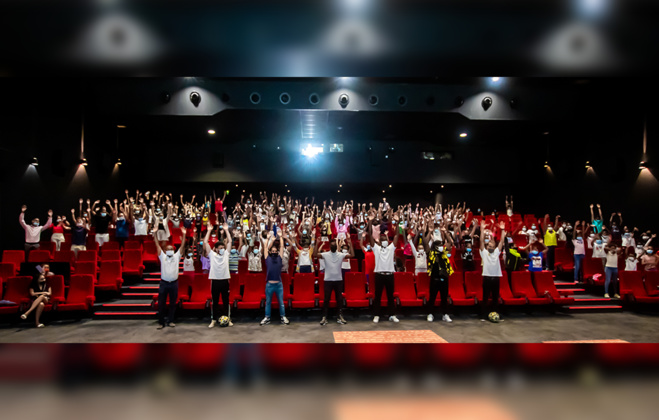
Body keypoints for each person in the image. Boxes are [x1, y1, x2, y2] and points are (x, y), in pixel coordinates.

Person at [367, 213, 401, 324]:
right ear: (380, 241)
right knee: (378, 296)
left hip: (390, 275)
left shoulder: (391, 248)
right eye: (382, 239)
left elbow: (396, 236)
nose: (384, 240)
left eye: (385, 238)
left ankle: (392, 315)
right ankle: (376, 315)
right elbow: (370, 236)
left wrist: (398, 222)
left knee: (391, 296)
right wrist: (370, 222)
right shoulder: (376, 249)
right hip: (379, 275)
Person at [153, 225, 187, 329]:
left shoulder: (177, 256)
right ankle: (161, 322)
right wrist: (154, 234)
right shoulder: (162, 256)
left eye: (171, 249)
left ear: (173, 250)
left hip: (174, 283)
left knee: (173, 303)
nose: (169, 250)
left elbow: (182, 247)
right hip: (164, 283)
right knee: (161, 304)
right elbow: (157, 245)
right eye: (168, 249)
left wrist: (184, 235)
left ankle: (171, 320)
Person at [315, 238, 354, 326]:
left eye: (334, 245)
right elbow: (314, 254)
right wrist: (317, 243)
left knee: (339, 300)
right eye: (332, 245)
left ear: (336, 247)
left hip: (338, 280)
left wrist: (350, 243)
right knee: (326, 299)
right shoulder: (325, 254)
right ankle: (324, 317)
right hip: (328, 280)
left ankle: (340, 316)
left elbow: (352, 255)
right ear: (329, 246)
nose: (333, 246)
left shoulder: (340, 255)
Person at [205, 222, 233, 328]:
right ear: (216, 249)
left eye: (222, 247)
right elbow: (205, 243)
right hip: (215, 281)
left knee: (226, 301)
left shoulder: (226, 254)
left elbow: (230, 241)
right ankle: (213, 320)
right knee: (215, 301)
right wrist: (208, 231)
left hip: (225, 280)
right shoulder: (212, 255)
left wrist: (226, 230)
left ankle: (228, 319)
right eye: (219, 248)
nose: (221, 249)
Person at [260, 231, 290, 326]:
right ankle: (267, 317)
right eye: (272, 251)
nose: (274, 252)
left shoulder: (279, 258)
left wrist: (281, 237)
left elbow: (281, 247)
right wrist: (268, 238)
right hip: (269, 284)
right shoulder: (267, 258)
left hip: (278, 285)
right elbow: (265, 247)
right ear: (270, 252)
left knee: (281, 303)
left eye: (275, 251)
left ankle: (283, 317)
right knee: (268, 302)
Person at [480, 221, 507, 321]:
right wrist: (482, 229)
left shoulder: (496, 252)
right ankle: (483, 316)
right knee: (485, 298)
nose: (490, 248)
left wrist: (503, 229)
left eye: (492, 246)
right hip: (487, 277)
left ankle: (496, 315)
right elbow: (481, 241)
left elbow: (502, 241)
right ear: (487, 247)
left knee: (495, 298)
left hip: (496, 278)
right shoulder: (484, 253)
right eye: (489, 246)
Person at [425, 236, 453, 323]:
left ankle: (445, 314)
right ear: (436, 246)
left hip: (444, 279)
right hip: (434, 279)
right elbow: (426, 244)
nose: (442, 247)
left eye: (442, 245)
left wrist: (445, 234)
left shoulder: (444, 253)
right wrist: (429, 232)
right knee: (432, 297)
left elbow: (450, 244)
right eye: (440, 245)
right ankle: (430, 314)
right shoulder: (431, 253)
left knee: (444, 298)